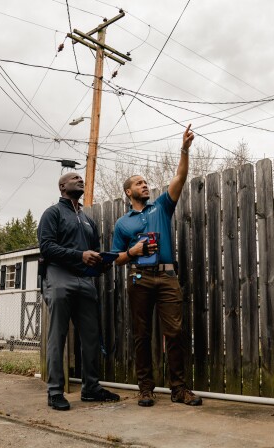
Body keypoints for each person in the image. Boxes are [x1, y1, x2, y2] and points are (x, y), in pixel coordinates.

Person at [112, 124, 202, 407]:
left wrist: (184, 149)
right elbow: (115, 258)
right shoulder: (122, 223)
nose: (145, 185)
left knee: (174, 333)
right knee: (141, 335)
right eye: (139, 183)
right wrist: (133, 250)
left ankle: (179, 389)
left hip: (166, 278)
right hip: (138, 277)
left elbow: (180, 176)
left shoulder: (161, 206)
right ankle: (146, 389)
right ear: (129, 191)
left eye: (146, 182)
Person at [38, 172, 120, 411]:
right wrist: (79, 255)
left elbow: (93, 250)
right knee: (58, 336)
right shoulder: (53, 213)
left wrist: (102, 262)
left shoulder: (87, 220)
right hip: (58, 276)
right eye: (74, 178)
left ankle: (91, 389)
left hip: (85, 280)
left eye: (81, 178)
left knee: (91, 337)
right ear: (62, 186)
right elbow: (47, 247)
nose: (80, 180)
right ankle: (55, 392)